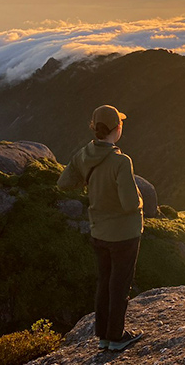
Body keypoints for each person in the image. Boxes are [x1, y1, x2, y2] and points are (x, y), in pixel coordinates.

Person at [57, 104, 144, 352]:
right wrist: (140, 199)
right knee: (120, 285)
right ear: (118, 128)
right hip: (124, 235)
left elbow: (63, 183)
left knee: (104, 281)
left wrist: (89, 182)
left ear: (94, 128)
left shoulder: (84, 154)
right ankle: (116, 336)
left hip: (98, 232)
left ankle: (103, 335)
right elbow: (129, 204)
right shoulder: (120, 161)